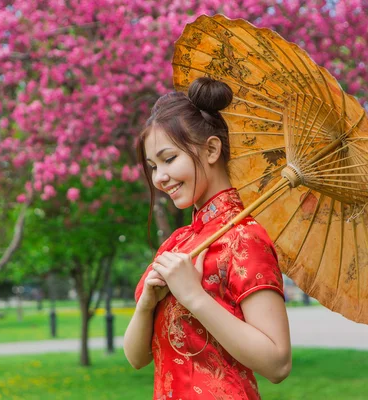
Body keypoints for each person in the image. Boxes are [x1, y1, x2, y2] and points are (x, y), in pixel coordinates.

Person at [123, 77, 292, 399]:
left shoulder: (245, 238)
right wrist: (146, 305)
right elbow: (137, 358)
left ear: (212, 149)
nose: (159, 178)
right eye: (152, 166)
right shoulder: (178, 243)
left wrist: (194, 297)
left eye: (169, 159)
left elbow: (278, 364)